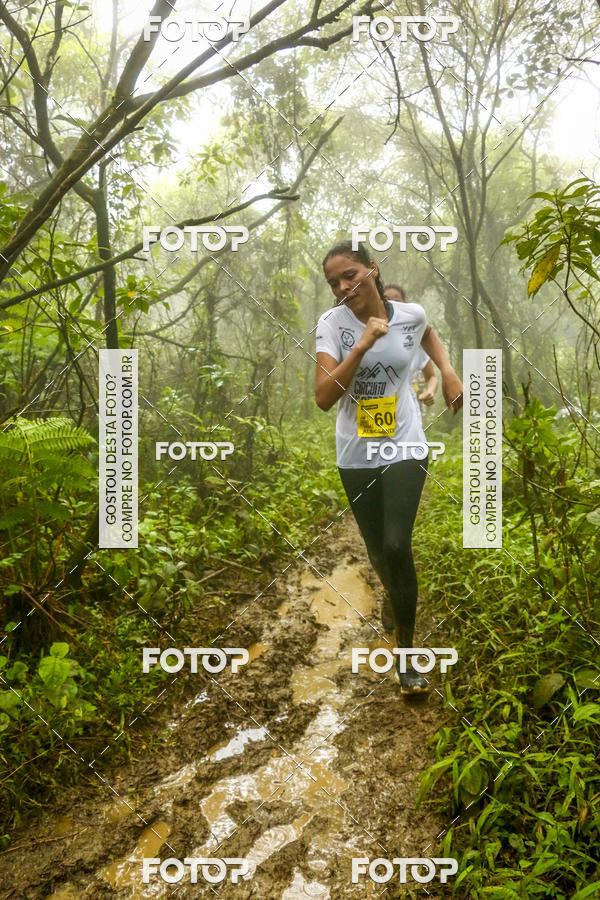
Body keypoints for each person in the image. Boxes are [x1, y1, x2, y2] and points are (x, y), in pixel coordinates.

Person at [314, 240, 463, 694]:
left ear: (372, 270)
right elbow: (323, 397)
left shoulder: (409, 314)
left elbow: (428, 331)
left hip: (403, 444)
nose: (343, 287)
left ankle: (407, 654)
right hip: (356, 451)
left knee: (397, 546)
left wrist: (448, 372)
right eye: (334, 282)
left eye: (350, 275)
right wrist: (360, 346)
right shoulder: (331, 325)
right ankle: (396, 602)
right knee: (378, 552)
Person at [384, 283, 439, 408]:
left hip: (408, 412)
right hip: (370, 416)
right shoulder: (367, 337)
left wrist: (430, 391)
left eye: (398, 302)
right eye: (387, 301)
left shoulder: (415, 341)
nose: (393, 305)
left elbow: (432, 377)